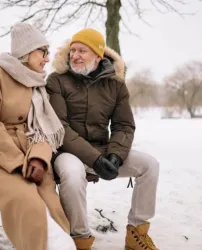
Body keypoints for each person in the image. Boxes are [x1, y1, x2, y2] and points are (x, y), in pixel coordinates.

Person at [46, 28, 160, 250]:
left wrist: (116, 156)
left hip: (103, 149)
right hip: (67, 152)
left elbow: (124, 125)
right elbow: (60, 128)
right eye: (73, 50)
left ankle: (136, 233)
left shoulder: (116, 85)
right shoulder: (57, 81)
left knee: (149, 165)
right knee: (72, 173)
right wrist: (95, 159)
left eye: (82, 50)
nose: (75, 55)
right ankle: (80, 240)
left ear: (98, 56)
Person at [0, 22, 76, 250]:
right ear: (27, 51)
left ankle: (62, 245)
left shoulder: (37, 85)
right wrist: (17, 162)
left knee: (50, 203)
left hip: (30, 159)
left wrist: (37, 159)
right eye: (43, 52)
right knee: (27, 202)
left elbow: (43, 130)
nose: (47, 59)